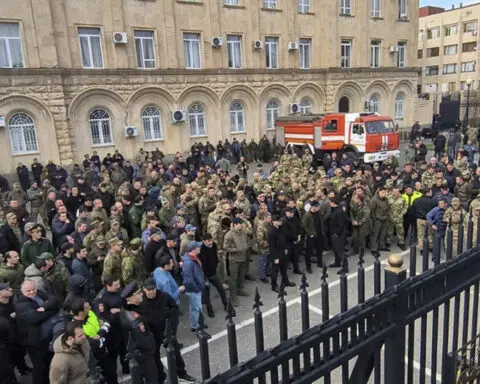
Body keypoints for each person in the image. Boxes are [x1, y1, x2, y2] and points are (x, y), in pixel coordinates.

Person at [138, 278, 195, 383]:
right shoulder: (141, 302)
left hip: (165, 330)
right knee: (154, 357)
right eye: (148, 290)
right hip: (152, 334)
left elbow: (174, 308)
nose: (151, 292)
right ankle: (161, 378)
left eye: (153, 289)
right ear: (144, 290)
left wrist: (172, 326)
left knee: (175, 353)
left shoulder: (163, 296)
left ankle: (182, 373)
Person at [15, 280, 59, 384]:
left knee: (48, 362)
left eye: (33, 289)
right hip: (33, 340)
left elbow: (54, 299)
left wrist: (44, 307)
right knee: (40, 366)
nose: (32, 292)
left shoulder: (38, 293)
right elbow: (34, 318)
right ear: (22, 291)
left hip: (44, 337)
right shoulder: (21, 304)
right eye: (28, 290)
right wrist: (51, 310)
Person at [120, 282, 158, 384]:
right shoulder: (135, 319)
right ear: (129, 299)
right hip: (143, 355)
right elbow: (143, 340)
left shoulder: (125, 310)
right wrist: (152, 346)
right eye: (137, 293)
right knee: (152, 379)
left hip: (135, 354)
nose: (141, 294)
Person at [200, 234, 228, 317]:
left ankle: (226, 305)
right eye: (208, 241)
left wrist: (215, 264)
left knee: (221, 289)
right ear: (204, 241)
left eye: (211, 240)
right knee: (206, 294)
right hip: (205, 274)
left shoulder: (214, 245)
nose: (210, 242)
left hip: (213, 273)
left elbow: (215, 256)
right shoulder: (201, 249)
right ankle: (210, 310)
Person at [223, 217, 249, 306]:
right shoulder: (229, 235)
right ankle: (233, 297)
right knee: (233, 279)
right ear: (234, 224)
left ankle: (240, 290)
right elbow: (226, 247)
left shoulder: (243, 232)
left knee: (241, 276)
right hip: (234, 260)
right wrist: (236, 249)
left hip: (243, 258)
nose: (241, 225)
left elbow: (246, 241)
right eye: (239, 224)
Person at [181, 241, 206, 332]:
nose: (200, 249)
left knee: (194, 307)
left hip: (196, 287)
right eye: (198, 247)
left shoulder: (192, 259)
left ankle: (196, 323)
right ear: (194, 249)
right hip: (194, 289)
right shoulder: (189, 262)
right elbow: (188, 280)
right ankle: (197, 326)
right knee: (196, 308)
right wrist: (196, 289)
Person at [268, 214, 295, 293]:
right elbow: (272, 246)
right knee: (275, 271)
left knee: (284, 268)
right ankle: (274, 285)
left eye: (280, 220)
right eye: (278, 221)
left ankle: (285, 281)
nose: (280, 222)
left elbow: (284, 239)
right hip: (276, 253)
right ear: (273, 222)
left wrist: (286, 249)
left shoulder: (281, 228)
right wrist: (275, 258)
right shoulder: (271, 232)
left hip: (283, 251)